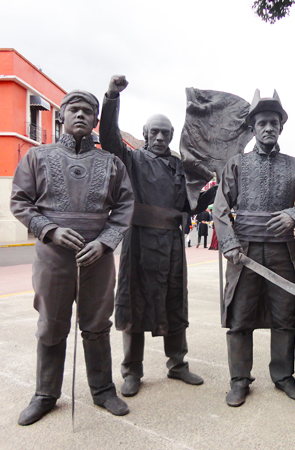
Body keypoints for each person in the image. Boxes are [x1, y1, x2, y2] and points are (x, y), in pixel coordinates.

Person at [11, 90, 134, 425]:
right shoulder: (38, 157)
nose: (80, 115)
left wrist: (106, 241)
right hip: (54, 256)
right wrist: (49, 230)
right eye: (73, 109)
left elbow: (124, 206)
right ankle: (45, 393)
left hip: (98, 256)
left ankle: (103, 389)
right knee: (51, 324)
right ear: (61, 116)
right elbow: (20, 202)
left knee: (96, 325)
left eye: (88, 111)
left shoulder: (111, 162)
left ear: (96, 120)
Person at [99, 75, 216, 397]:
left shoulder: (180, 166)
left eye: (166, 133)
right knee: (133, 301)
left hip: (172, 242)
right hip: (138, 240)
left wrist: (211, 192)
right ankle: (132, 371)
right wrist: (111, 97)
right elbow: (108, 137)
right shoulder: (132, 159)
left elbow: (188, 206)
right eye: (155, 132)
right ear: (146, 135)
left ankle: (177, 364)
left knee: (175, 300)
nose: (161, 137)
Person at [213, 90, 295, 407]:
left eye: (274, 123)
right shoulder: (236, 165)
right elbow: (220, 208)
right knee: (240, 315)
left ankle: (283, 376)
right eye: (262, 122)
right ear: (253, 127)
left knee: (285, 314)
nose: (268, 128)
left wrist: (294, 214)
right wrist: (230, 242)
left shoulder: (294, 166)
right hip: (244, 250)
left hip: (281, 249)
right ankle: (239, 380)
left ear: (280, 127)